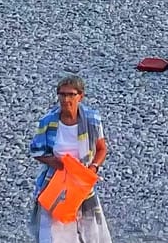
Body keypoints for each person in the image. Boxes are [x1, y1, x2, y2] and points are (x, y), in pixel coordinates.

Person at [29, 77, 111, 243]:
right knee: (53, 229)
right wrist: (55, 163)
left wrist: (93, 168)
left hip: (81, 180)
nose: (66, 99)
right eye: (62, 94)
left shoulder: (92, 119)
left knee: (89, 229)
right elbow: (37, 151)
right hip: (55, 181)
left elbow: (102, 148)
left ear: (80, 96)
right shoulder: (48, 121)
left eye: (71, 95)